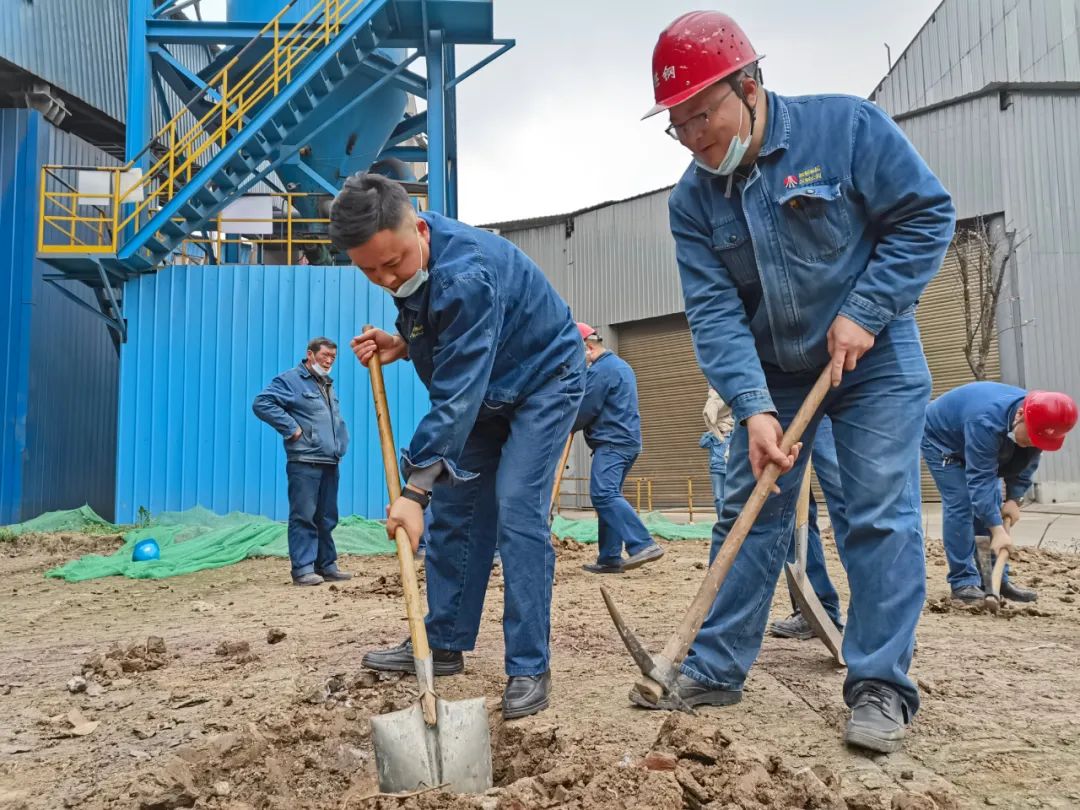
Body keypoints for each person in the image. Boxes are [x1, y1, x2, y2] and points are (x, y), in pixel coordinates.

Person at [635, 11, 955, 755]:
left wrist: (866, 311)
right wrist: (751, 408)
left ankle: (879, 686)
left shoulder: (845, 130)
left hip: (874, 357)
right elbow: (714, 314)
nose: (693, 137)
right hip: (774, 373)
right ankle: (715, 666)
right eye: (677, 125)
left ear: (749, 87)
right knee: (750, 508)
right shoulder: (692, 202)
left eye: (702, 115)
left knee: (877, 513)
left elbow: (926, 217)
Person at [329, 172, 585, 720]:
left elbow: (457, 390)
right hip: (486, 391)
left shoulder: (467, 273)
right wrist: (404, 342)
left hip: (543, 382)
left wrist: (414, 491)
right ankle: (443, 642)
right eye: (369, 271)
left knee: (517, 509)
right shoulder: (414, 263)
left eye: (393, 263)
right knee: (457, 509)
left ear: (419, 229)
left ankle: (529, 666)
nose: (385, 278)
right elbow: (449, 338)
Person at [922, 383, 1077, 603]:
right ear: (1020, 416)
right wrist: (996, 528)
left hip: (977, 435)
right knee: (962, 504)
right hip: (942, 440)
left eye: (1038, 440)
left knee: (989, 507)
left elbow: (1027, 463)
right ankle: (963, 582)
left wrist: (1014, 498)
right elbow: (980, 478)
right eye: (1031, 437)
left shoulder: (1041, 421)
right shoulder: (985, 421)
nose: (1033, 443)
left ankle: (993, 581)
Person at [252, 338, 351, 586]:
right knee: (304, 515)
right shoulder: (291, 380)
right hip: (305, 460)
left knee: (327, 517)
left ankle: (326, 565)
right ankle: (303, 569)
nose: (329, 361)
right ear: (310, 354)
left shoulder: (325, 383)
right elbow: (262, 403)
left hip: (329, 459)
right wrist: (291, 428)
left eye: (333, 357)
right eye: (325, 355)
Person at [572, 322, 664, 574]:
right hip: (626, 441)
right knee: (609, 495)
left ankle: (643, 544)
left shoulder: (601, 371)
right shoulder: (621, 366)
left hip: (613, 442)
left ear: (589, 348)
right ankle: (610, 557)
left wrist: (565, 423)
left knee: (603, 494)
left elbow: (585, 410)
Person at [770, 415, 846, 639]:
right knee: (789, 505)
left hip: (828, 408)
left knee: (845, 492)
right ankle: (815, 609)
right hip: (782, 410)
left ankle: (881, 619)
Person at [699, 388, 734, 516]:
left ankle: (730, 520)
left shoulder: (733, 435)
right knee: (719, 498)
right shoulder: (713, 436)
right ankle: (721, 520)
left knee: (731, 497)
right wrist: (712, 431)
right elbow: (702, 444)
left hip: (730, 469)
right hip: (716, 469)